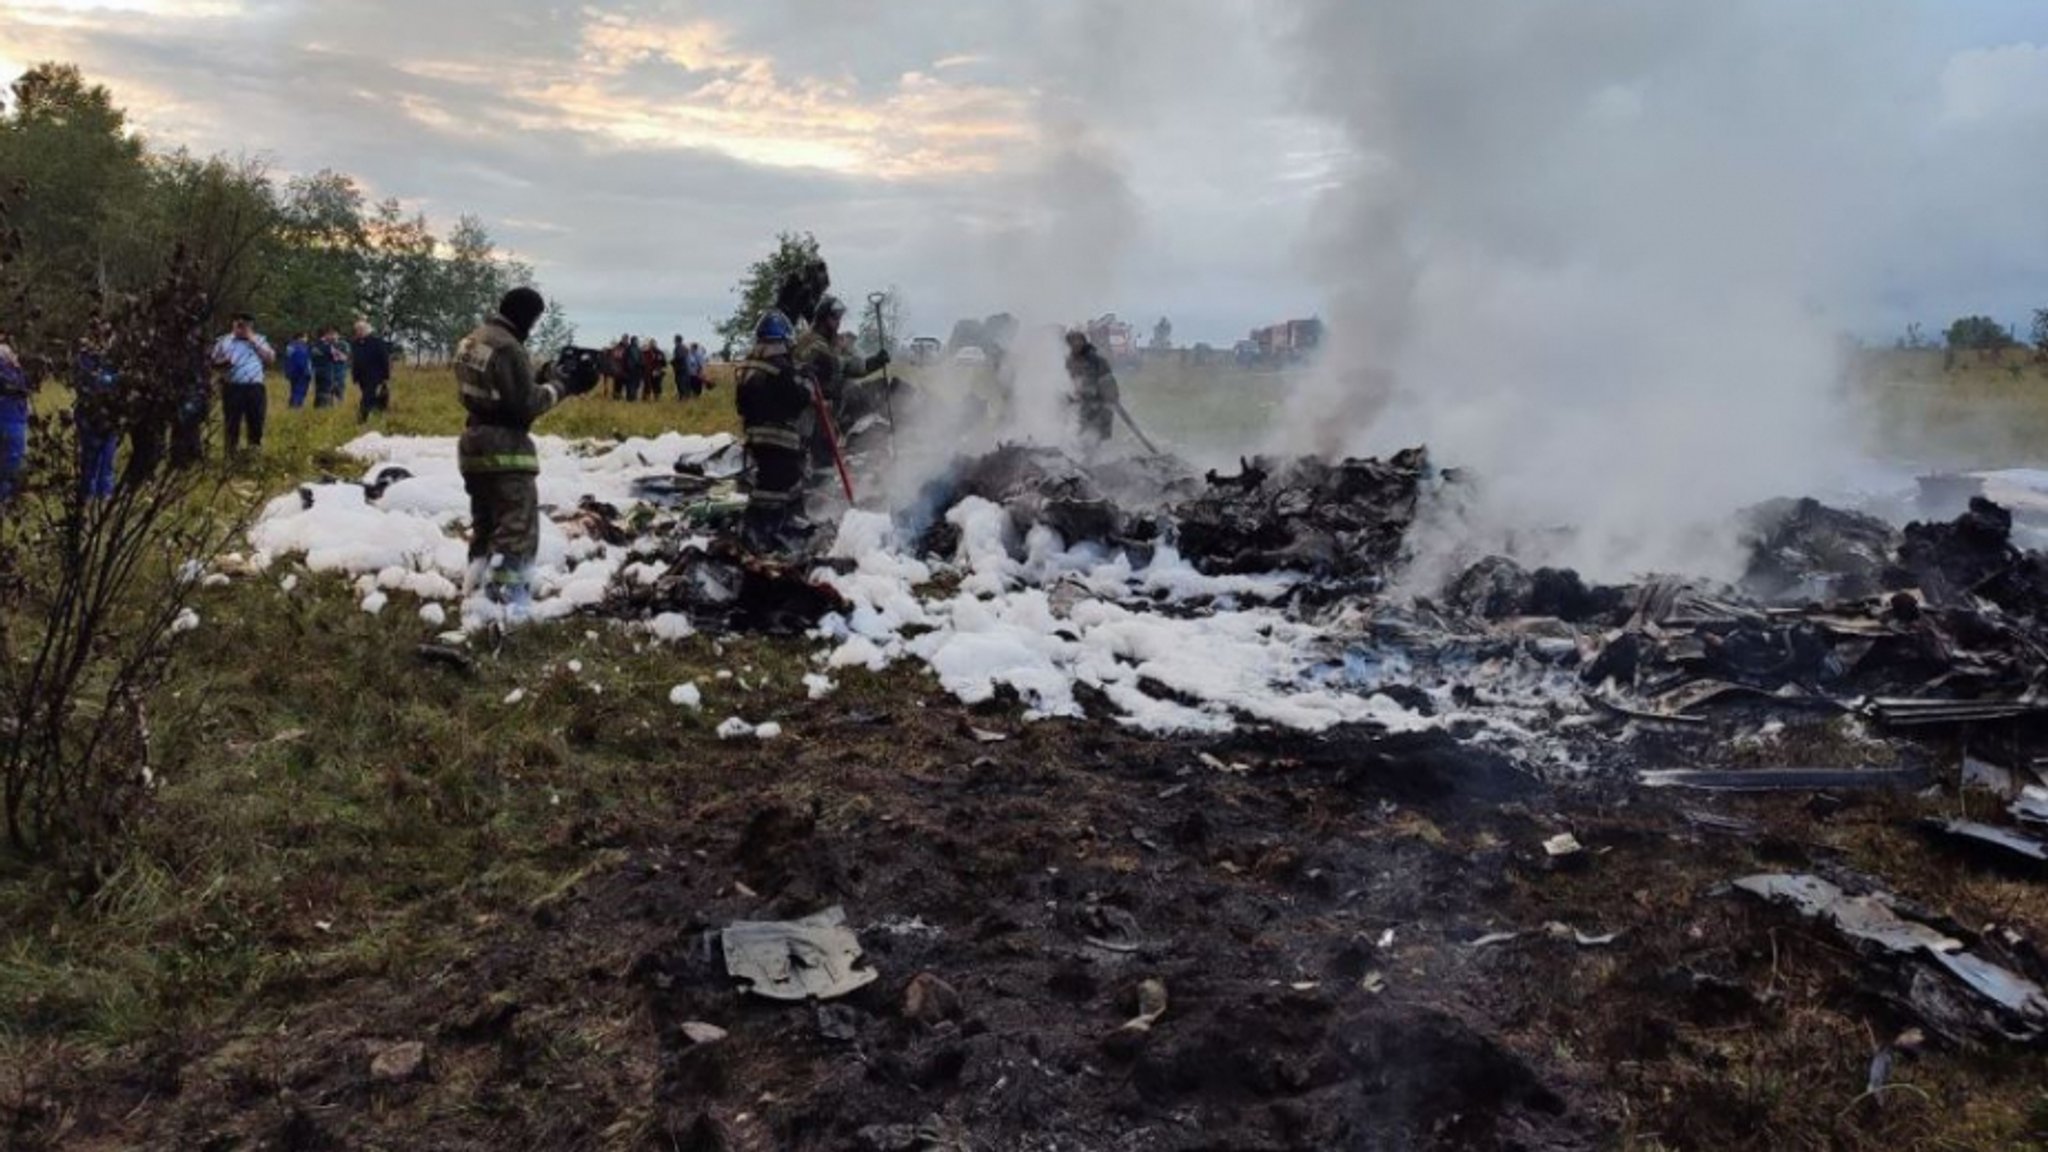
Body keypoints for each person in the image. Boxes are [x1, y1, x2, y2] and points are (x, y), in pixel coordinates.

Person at [454, 287, 596, 622]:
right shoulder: (509, 347)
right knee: (516, 527)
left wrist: (541, 375)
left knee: (485, 523)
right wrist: (563, 386)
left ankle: (475, 591)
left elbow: (498, 389)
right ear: (528, 316)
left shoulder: (472, 340)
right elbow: (525, 405)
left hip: (473, 442)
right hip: (505, 449)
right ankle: (505, 603)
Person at [735, 309, 812, 551]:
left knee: (769, 482)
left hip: (755, 437)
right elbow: (797, 400)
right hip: (780, 438)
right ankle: (765, 530)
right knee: (778, 486)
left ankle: (767, 527)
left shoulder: (748, 365)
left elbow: (741, 404)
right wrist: (806, 383)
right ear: (784, 339)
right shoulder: (781, 367)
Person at [212, 312, 275, 454]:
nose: (242, 328)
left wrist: (251, 338)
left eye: (245, 325)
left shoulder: (259, 340)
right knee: (231, 423)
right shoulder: (224, 341)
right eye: (239, 324)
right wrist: (221, 363)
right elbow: (212, 361)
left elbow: (270, 359)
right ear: (233, 324)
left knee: (256, 421)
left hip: (254, 387)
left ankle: (253, 452)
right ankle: (230, 454)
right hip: (232, 386)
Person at [73, 331, 119, 499]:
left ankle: (105, 494)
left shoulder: (115, 359)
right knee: (91, 456)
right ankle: (87, 494)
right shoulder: (83, 359)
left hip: (110, 415)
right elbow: (89, 382)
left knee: (108, 457)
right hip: (89, 414)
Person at [1064, 329, 1119, 449]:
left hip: (1096, 412)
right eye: (1072, 340)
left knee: (1090, 445)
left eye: (1079, 340)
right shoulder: (1066, 363)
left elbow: (1110, 390)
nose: (1076, 344)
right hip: (1076, 413)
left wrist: (1089, 392)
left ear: (1084, 341)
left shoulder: (1098, 362)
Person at [0, 330, 28, 502]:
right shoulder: (11, 369)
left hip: (14, 418)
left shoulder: (16, 370)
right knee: (10, 462)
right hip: (11, 420)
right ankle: (5, 498)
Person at [351, 319, 394, 423]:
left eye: (361, 329)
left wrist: (385, 376)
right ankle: (378, 416)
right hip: (362, 377)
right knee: (372, 398)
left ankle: (361, 420)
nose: (359, 332)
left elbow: (384, 359)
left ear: (367, 330)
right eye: (357, 330)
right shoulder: (355, 343)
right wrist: (355, 376)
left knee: (367, 398)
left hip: (375, 376)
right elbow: (355, 361)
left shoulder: (377, 342)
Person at [284, 332, 314, 408]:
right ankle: (296, 406)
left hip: (292, 372)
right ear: (300, 338)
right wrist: (308, 372)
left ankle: (292, 406)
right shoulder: (303, 347)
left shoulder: (290, 346)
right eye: (305, 337)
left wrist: (287, 371)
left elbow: (287, 360)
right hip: (302, 373)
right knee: (300, 391)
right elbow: (304, 362)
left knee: (294, 390)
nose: (306, 339)